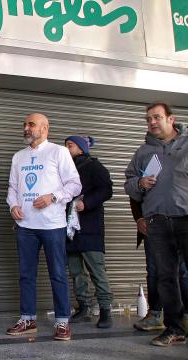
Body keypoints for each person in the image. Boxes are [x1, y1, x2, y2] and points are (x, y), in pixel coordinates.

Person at [6, 113, 81, 341]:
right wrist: (13, 206)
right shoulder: (18, 157)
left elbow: (75, 185)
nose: (26, 128)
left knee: (57, 274)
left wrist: (53, 197)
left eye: (31, 124)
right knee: (26, 275)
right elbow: (12, 187)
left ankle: (62, 322)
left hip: (52, 225)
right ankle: (28, 319)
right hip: (25, 226)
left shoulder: (59, 152)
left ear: (45, 128)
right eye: (25, 124)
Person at [125, 101, 188, 346]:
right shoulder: (142, 152)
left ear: (170, 119)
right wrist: (140, 184)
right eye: (148, 118)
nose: (151, 122)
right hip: (157, 223)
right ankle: (174, 328)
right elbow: (128, 184)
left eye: (156, 117)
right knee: (165, 276)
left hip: (185, 218)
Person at [63, 135, 114, 328]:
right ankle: (83, 307)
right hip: (69, 230)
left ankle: (105, 310)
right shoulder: (65, 168)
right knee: (76, 272)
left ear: (82, 148)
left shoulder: (94, 166)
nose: (66, 149)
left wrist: (87, 203)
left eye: (70, 145)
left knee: (97, 271)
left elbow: (107, 189)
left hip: (90, 228)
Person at [130, 198, 188, 332]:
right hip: (153, 222)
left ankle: (185, 316)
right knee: (155, 271)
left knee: (183, 272)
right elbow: (135, 193)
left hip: (181, 219)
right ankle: (155, 314)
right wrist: (139, 218)